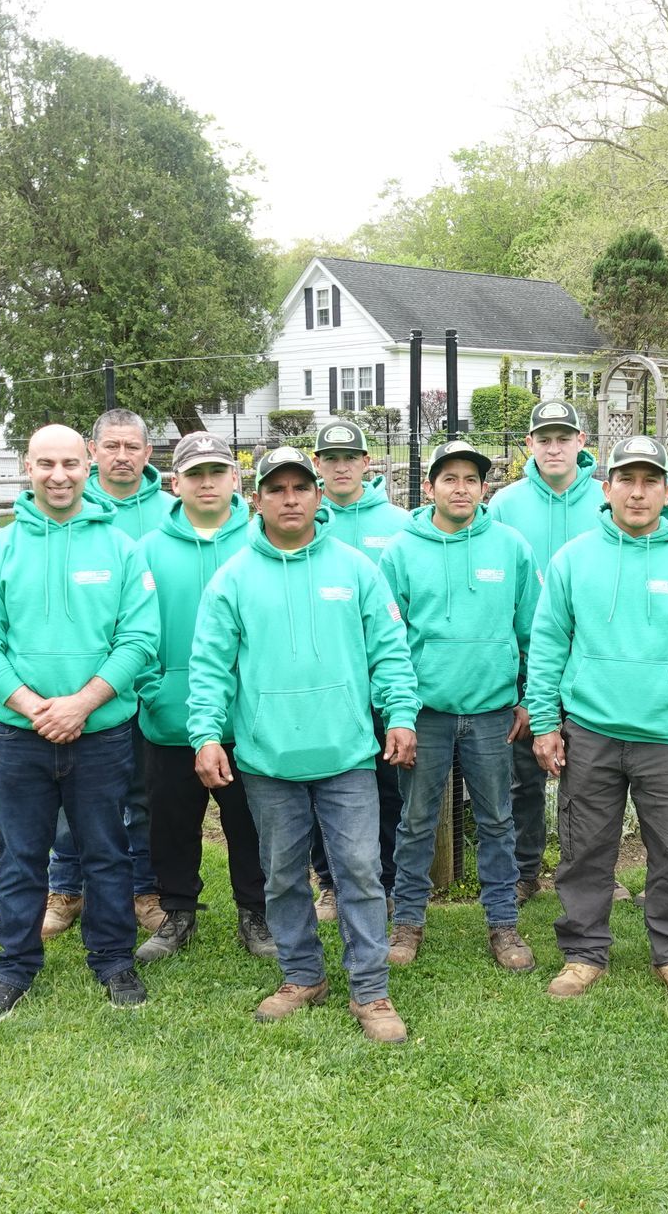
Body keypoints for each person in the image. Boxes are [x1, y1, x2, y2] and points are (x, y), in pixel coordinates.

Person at [187, 446, 422, 1044]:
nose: (290, 499)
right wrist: (207, 734)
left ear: (318, 496)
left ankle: (370, 989)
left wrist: (400, 714)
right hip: (268, 760)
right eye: (277, 489)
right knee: (283, 874)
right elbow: (210, 668)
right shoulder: (232, 579)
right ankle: (302, 975)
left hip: (346, 755)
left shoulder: (356, 570)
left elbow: (390, 650)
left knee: (361, 871)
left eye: (301, 488)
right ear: (257, 499)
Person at [524, 436, 668, 1010]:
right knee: (584, 848)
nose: (638, 492)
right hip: (591, 732)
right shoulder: (573, 559)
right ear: (608, 487)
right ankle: (583, 952)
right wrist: (545, 722)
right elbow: (547, 646)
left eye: (650, 482)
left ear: (667, 491)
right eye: (627, 480)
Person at [0, 424, 159, 1021]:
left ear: (87, 464)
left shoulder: (121, 550)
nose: (59, 475)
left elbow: (140, 638)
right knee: (20, 854)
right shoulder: (0, 550)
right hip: (21, 737)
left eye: (70, 462)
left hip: (101, 735)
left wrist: (82, 703)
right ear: (28, 467)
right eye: (46, 463)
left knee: (106, 851)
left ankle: (113, 959)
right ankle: (14, 967)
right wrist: (32, 705)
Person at [378, 439, 539, 972]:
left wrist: (527, 698)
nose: (461, 488)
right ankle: (407, 922)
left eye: (471, 479)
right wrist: (397, 711)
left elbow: (532, 631)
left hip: (493, 712)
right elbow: (387, 639)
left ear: (484, 487)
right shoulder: (401, 551)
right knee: (416, 821)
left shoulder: (511, 547)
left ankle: (502, 925)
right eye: (450, 478)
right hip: (426, 714)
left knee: (497, 820)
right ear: (429, 487)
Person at [132, 432, 275, 964]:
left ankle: (254, 913)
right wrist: (153, 688)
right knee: (170, 821)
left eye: (217, 472)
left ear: (236, 480)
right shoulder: (147, 550)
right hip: (169, 715)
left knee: (249, 822)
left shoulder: (260, 541)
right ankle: (178, 913)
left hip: (248, 718)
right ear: (176, 483)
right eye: (196, 474)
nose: (207, 482)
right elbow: (135, 631)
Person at [43, 408, 172, 943]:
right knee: (73, 793)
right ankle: (66, 887)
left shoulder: (172, 511)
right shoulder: (73, 507)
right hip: (86, 682)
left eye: (132, 447)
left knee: (141, 792)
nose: (122, 456)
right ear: (93, 453)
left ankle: (142, 888)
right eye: (111, 446)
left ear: (148, 453)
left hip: (151, 676)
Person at [484, 399, 607, 903]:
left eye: (564, 438)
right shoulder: (506, 505)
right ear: (529, 445)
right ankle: (523, 869)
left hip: (594, 660)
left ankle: (589, 872)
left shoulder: (607, 497)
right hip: (526, 661)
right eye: (544, 438)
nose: (554, 447)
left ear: (582, 443)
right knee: (524, 776)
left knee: (593, 778)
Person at [307, 418, 411, 923]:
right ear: (317, 466)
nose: (341, 467)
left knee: (386, 793)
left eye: (350, 458)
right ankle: (329, 883)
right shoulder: (302, 519)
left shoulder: (397, 524)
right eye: (331, 459)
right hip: (326, 691)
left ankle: (386, 882)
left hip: (378, 691)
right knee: (317, 793)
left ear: (367, 464)